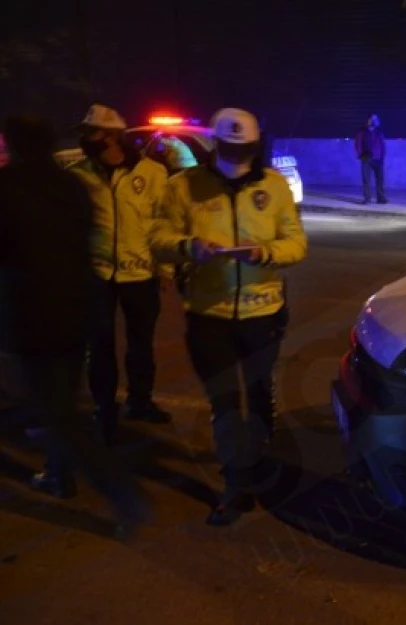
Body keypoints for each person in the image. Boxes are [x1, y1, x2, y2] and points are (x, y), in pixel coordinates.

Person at [151, 107, 307, 526]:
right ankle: (235, 485)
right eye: (229, 147)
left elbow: (295, 242)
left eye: (245, 149)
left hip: (263, 312)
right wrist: (189, 248)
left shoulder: (273, 186)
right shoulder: (185, 186)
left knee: (258, 397)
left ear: (255, 147)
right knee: (224, 403)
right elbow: (158, 237)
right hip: (208, 315)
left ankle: (260, 467)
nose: (237, 156)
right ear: (215, 144)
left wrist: (266, 253)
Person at [0, 114, 149, 533]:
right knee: (59, 403)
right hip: (76, 313)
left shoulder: (8, 187)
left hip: (33, 319)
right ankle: (59, 475)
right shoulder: (72, 185)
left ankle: (122, 493)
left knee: (58, 411)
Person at [69, 104, 172, 444]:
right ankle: (104, 406)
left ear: (112, 135)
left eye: (91, 132)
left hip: (140, 274)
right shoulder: (80, 174)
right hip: (96, 275)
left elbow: (163, 223)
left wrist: (167, 268)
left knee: (141, 344)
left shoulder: (152, 173)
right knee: (99, 345)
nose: (85, 139)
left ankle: (140, 401)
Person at [353, 113, 387, 204]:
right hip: (366, 158)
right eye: (372, 119)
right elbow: (358, 144)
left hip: (378, 159)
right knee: (366, 180)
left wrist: (382, 156)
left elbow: (382, 145)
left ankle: (381, 198)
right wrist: (360, 155)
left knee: (380, 179)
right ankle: (367, 198)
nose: (373, 121)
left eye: (375, 119)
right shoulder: (361, 131)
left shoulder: (379, 132)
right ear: (368, 120)